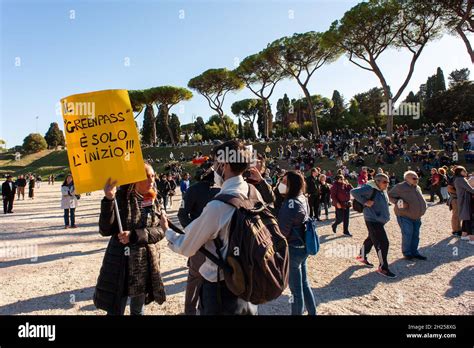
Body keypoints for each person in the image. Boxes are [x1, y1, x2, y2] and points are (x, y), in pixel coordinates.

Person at [161, 140, 261, 315]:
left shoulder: (218, 206)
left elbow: (186, 246)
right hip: (248, 282)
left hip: (221, 290)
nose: (214, 168)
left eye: (216, 163)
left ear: (225, 165)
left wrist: (166, 230)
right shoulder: (253, 192)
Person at [94, 163, 166, 315]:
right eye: (147, 176)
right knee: (115, 309)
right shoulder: (120, 198)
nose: (151, 180)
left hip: (143, 264)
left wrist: (134, 235)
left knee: (137, 310)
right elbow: (105, 230)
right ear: (135, 178)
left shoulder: (155, 199)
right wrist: (108, 200)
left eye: (153, 176)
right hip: (120, 263)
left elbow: (160, 231)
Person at [177, 164, 220, 315]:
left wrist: (193, 233)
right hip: (219, 244)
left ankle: (191, 311)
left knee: (195, 278)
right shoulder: (224, 190)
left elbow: (182, 215)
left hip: (204, 244)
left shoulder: (194, 189)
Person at [277, 171, 317, 315]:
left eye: (284, 182)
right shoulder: (302, 198)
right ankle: (313, 312)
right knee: (305, 284)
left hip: (293, 249)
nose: (281, 184)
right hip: (303, 247)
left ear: (291, 185)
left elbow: (282, 231)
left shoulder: (290, 203)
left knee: (295, 292)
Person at [352, 173, 395, 278]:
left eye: (388, 182)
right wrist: (365, 201)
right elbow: (353, 192)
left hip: (379, 220)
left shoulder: (381, 189)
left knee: (372, 237)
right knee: (383, 242)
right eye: (385, 182)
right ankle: (383, 268)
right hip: (372, 220)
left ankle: (361, 255)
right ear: (377, 181)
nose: (387, 184)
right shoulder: (370, 188)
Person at [388, 171, 427, 260]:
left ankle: (414, 252)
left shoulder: (417, 187)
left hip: (417, 216)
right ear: (407, 179)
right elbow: (389, 196)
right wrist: (398, 202)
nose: (416, 179)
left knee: (415, 235)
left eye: (417, 178)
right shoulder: (400, 187)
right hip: (404, 215)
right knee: (407, 234)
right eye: (414, 178)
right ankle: (407, 253)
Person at [453, 167, 474, 245]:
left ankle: (464, 235)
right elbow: (471, 190)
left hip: (462, 200)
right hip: (465, 200)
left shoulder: (458, 179)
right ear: (460, 172)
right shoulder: (461, 179)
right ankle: (472, 239)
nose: (466, 172)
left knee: (466, 218)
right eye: (464, 171)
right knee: (469, 218)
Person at [448, 166, 462, 237]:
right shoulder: (454, 178)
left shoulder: (458, 178)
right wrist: (458, 194)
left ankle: (458, 229)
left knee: (458, 214)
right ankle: (455, 231)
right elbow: (449, 189)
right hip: (455, 198)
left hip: (457, 198)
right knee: (456, 215)